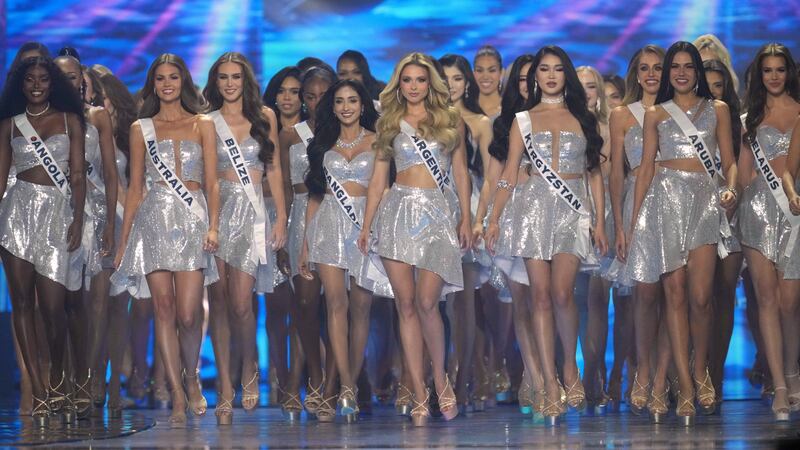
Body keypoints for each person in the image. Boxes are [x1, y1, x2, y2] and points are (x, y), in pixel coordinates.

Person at [485, 45, 608, 426]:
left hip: (572, 213)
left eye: (557, 69)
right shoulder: (522, 119)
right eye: (544, 70)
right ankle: (549, 384)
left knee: (561, 294)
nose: (551, 76)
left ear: (565, 74)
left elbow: (594, 174)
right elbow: (508, 171)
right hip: (532, 209)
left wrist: (600, 221)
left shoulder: (583, 117)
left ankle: (570, 366)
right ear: (535, 76)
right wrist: (493, 217)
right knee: (538, 296)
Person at [625, 41, 738, 425]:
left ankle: (701, 367)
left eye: (689, 66)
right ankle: (687, 386)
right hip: (665, 199)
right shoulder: (655, 113)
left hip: (704, 200)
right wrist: (633, 223)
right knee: (672, 296)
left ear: (698, 71)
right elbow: (644, 169)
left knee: (701, 298)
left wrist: (730, 190)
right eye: (676, 66)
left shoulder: (718, 110)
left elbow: (730, 162)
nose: (682, 72)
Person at [358, 52, 473, 426]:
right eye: (406, 80)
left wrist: (467, 219)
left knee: (428, 303)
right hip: (397, 214)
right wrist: (366, 225)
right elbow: (378, 180)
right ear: (399, 84)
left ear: (430, 83)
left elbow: (461, 174)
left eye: (420, 80)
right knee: (404, 305)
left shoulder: (449, 120)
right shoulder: (389, 123)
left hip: (438, 215)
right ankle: (419, 392)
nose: (413, 86)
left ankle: (441, 381)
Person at [112, 53, 220, 426]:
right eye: (160, 78)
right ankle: (175, 394)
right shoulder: (141, 128)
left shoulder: (203, 124)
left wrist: (214, 226)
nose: (167, 84)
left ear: (184, 81)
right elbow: (136, 187)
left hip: (192, 221)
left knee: (189, 315)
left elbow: (212, 181)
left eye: (173, 77)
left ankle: (192, 379)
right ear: (153, 84)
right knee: (163, 309)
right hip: (154, 219)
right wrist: (125, 242)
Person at [0, 56, 87, 427]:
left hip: (57, 213)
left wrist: (79, 218)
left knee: (53, 308)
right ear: (21, 84)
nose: (36, 85)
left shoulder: (70, 121)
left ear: (53, 84)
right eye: (30, 80)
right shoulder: (8, 125)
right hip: (17, 214)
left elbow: (79, 175)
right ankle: (38, 389)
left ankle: (57, 378)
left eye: (43, 80)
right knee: (21, 303)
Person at [203, 52, 287, 425]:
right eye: (223, 77)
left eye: (236, 76)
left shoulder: (264, 117)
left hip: (252, 214)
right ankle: (223, 387)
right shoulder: (206, 121)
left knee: (241, 303)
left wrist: (281, 216)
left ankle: (250, 364)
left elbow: (273, 170)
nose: (230, 83)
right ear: (215, 81)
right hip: (216, 214)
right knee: (217, 302)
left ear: (246, 80)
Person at [300, 78, 389, 421]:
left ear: (363, 104)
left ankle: (349, 380)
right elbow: (315, 195)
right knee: (335, 306)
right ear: (333, 107)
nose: (346, 107)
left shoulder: (378, 141)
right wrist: (305, 244)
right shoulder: (322, 144)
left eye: (352, 100)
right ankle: (343, 387)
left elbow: (382, 189)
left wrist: (370, 227)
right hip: (329, 227)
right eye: (340, 101)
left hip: (366, 227)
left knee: (361, 308)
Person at [739, 43, 800, 421]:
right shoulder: (750, 117)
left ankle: (794, 373)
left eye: (779, 69)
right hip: (757, 212)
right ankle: (779, 383)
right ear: (759, 76)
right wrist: (732, 198)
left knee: (790, 303)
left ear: (788, 72)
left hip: (793, 211)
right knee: (765, 300)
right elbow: (745, 174)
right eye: (767, 70)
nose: (773, 76)